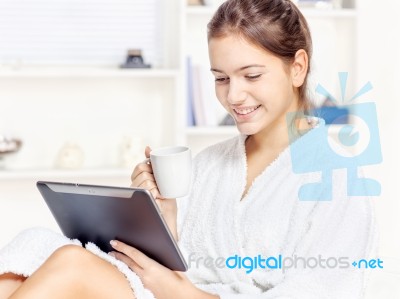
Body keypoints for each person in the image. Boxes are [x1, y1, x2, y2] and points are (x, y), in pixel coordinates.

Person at [0, 0, 376, 298]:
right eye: (221, 78)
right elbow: (190, 264)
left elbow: (321, 291)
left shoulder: (335, 173)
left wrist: (187, 296)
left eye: (252, 75)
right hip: (167, 290)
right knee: (21, 264)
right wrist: (165, 222)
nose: (234, 96)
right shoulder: (212, 164)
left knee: (71, 264)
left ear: (297, 68)